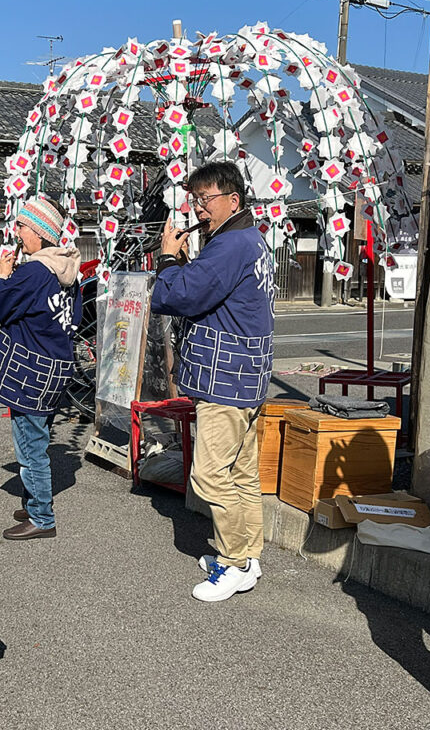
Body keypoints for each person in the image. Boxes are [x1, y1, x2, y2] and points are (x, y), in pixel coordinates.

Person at [151, 161, 274, 602]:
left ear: (233, 200)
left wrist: (168, 258)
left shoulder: (230, 245)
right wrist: (188, 264)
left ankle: (233, 562)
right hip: (247, 375)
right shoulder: (250, 239)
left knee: (208, 476)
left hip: (226, 380)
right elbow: (213, 292)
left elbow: (179, 294)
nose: (199, 209)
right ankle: (249, 556)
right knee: (241, 473)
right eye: (196, 200)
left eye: (206, 200)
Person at [0, 197, 81, 540]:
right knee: (38, 436)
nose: (17, 232)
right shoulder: (66, 270)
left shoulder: (34, 271)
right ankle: (34, 500)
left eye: (21, 226)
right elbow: (75, 319)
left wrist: (3, 276)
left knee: (29, 445)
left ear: (37, 231)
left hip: (31, 368)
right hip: (56, 365)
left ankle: (41, 517)